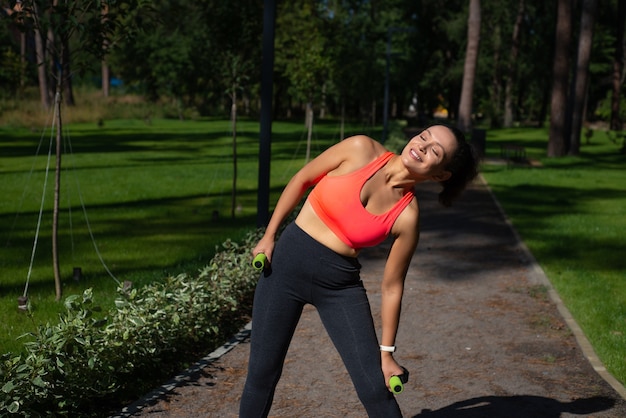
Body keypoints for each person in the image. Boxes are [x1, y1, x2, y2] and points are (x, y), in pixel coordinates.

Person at [239, 124, 479, 417]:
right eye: (424, 136)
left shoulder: (407, 215)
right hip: (286, 268)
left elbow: (392, 286)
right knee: (262, 375)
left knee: (375, 388)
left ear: (441, 174)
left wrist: (387, 353)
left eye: (435, 151)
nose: (422, 146)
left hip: (339, 286)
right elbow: (303, 179)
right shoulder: (360, 149)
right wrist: (269, 236)